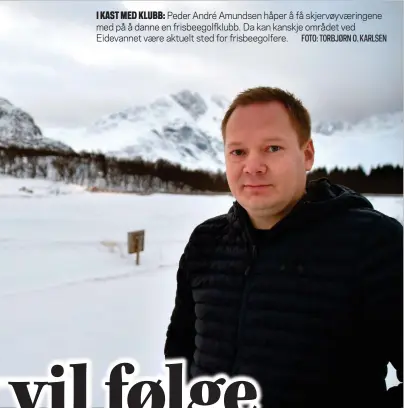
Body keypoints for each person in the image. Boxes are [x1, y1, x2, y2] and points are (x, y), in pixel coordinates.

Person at [164, 86, 403, 408]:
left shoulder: (373, 242)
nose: (253, 166)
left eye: (272, 148)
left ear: (307, 154)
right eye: (238, 152)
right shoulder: (206, 241)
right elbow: (181, 347)